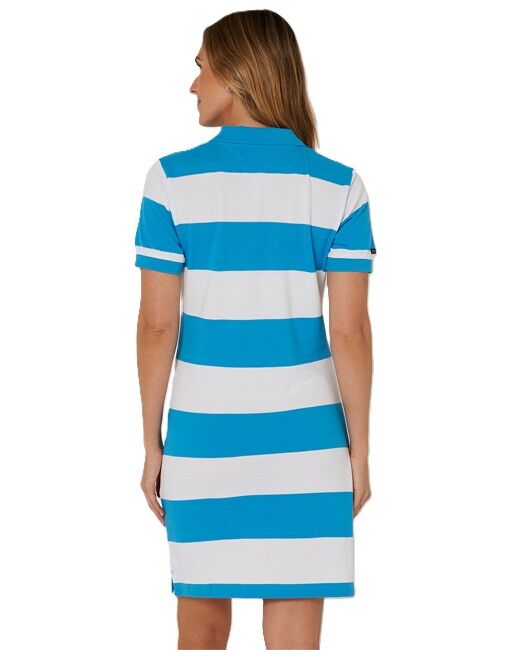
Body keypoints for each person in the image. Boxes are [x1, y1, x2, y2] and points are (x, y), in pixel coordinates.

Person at [135, 9, 375, 650]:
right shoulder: (339, 187)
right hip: (307, 446)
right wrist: (358, 453)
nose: (193, 84)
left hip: (204, 439)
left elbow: (158, 326)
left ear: (238, 73)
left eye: (201, 67)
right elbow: (350, 332)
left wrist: (152, 446)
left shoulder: (171, 181)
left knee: (200, 635)